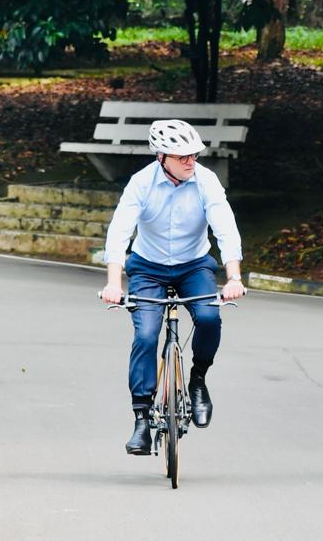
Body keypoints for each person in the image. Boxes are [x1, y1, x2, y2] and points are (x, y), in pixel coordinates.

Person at [100, 119, 245, 455]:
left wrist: (234, 277)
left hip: (194, 265)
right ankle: (141, 420)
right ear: (161, 157)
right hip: (148, 268)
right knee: (147, 335)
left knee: (209, 318)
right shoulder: (141, 183)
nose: (190, 162)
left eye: (193, 155)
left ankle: (197, 381)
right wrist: (113, 283)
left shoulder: (206, 181)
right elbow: (120, 230)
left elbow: (225, 227)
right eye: (182, 157)